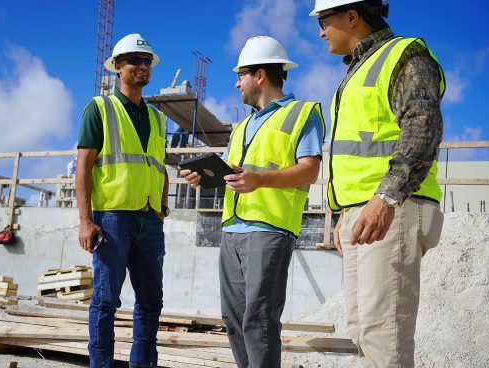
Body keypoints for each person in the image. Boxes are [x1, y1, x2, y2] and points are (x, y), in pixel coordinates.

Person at [309, 0, 445, 366]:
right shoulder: (356, 71)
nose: (320, 32)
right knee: (365, 332)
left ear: (352, 16)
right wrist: (345, 213)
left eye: (324, 20)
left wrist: (384, 199)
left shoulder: (405, 56)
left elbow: (423, 126)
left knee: (384, 338)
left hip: (392, 211)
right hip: (364, 214)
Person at [181, 36, 325, 368]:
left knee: (258, 321)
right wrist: (206, 177)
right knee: (233, 319)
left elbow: (309, 170)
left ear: (260, 75)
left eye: (241, 74)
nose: (236, 83)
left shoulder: (302, 114)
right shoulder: (243, 124)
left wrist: (259, 179)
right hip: (232, 229)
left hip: (270, 229)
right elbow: (234, 173)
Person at [76, 33, 170, 368]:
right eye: (135, 61)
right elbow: (83, 166)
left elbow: (158, 165)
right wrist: (85, 220)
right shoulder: (100, 108)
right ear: (118, 67)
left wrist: (162, 207)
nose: (142, 67)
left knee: (150, 302)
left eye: (146, 62)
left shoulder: (158, 118)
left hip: (149, 222)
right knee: (104, 301)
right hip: (113, 220)